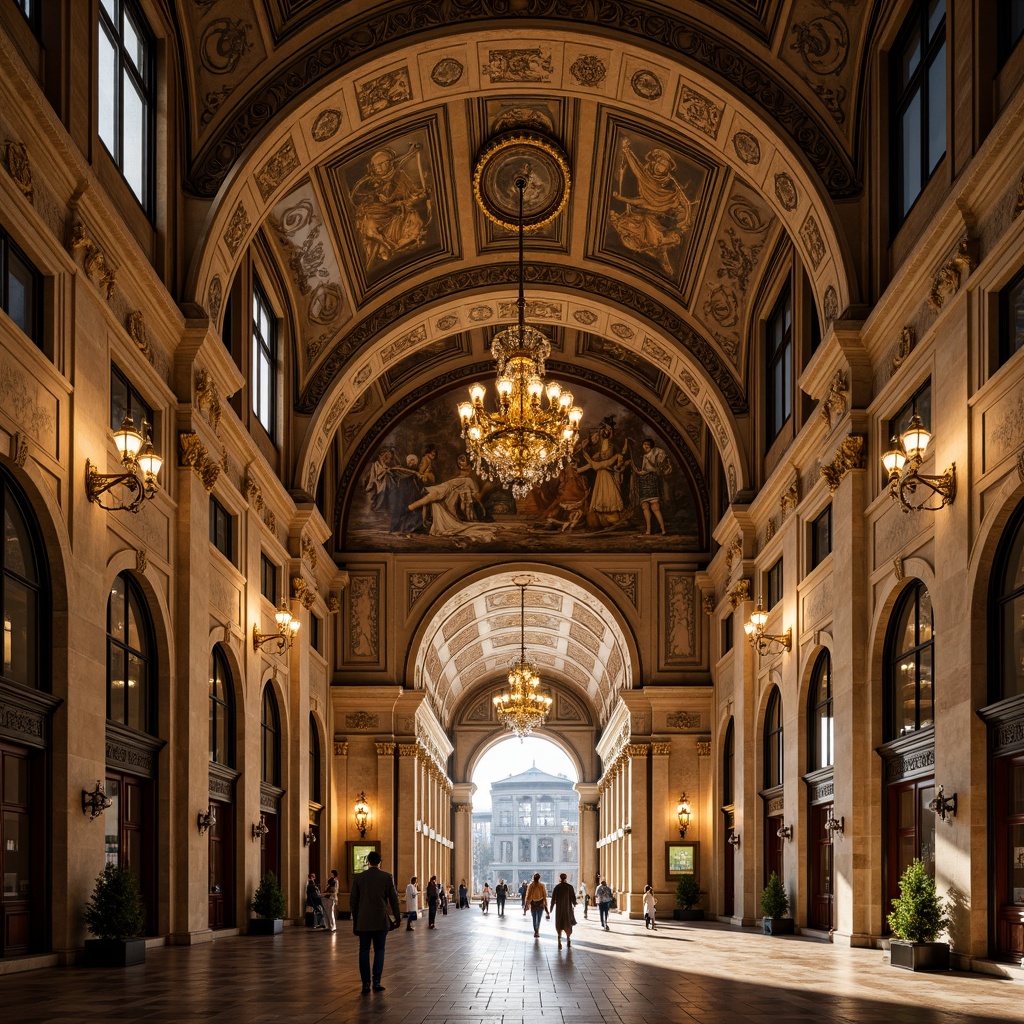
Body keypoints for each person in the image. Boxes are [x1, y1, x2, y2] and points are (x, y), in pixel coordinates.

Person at [350, 849, 401, 994]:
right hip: (380, 920)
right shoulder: (386, 877)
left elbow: (353, 901)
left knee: (364, 950)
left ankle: (366, 983)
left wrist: (357, 917)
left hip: (363, 921)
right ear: (380, 862)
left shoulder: (359, 878)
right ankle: (377, 981)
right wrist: (397, 917)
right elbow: (394, 899)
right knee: (380, 949)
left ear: (368, 862)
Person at [550, 872, 577, 950]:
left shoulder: (557, 887)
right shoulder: (570, 887)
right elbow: (573, 897)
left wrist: (551, 908)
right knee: (568, 923)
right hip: (568, 909)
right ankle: (568, 938)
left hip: (559, 910)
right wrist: (574, 904)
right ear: (566, 878)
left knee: (559, 924)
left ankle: (559, 940)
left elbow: (553, 899)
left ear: (560, 878)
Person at [524, 872, 549, 938]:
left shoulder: (531, 885)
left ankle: (535, 931)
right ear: (539, 878)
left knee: (534, 918)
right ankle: (537, 930)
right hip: (540, 904)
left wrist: (526, 904)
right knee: (539, 918)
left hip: (533, 904)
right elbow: (544, 896)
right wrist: (545, 905)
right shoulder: (542, 885)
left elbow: (527, 895)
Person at [323, 868, 339, 933]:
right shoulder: (330, 881)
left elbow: (335, 890)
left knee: (330, 912)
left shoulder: (335, 881)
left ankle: (332, 926)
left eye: (332, 874)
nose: (331, 875)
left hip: (331, 897)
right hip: (327, 897)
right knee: (327, 912)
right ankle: (328, 925)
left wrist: (328, 893)